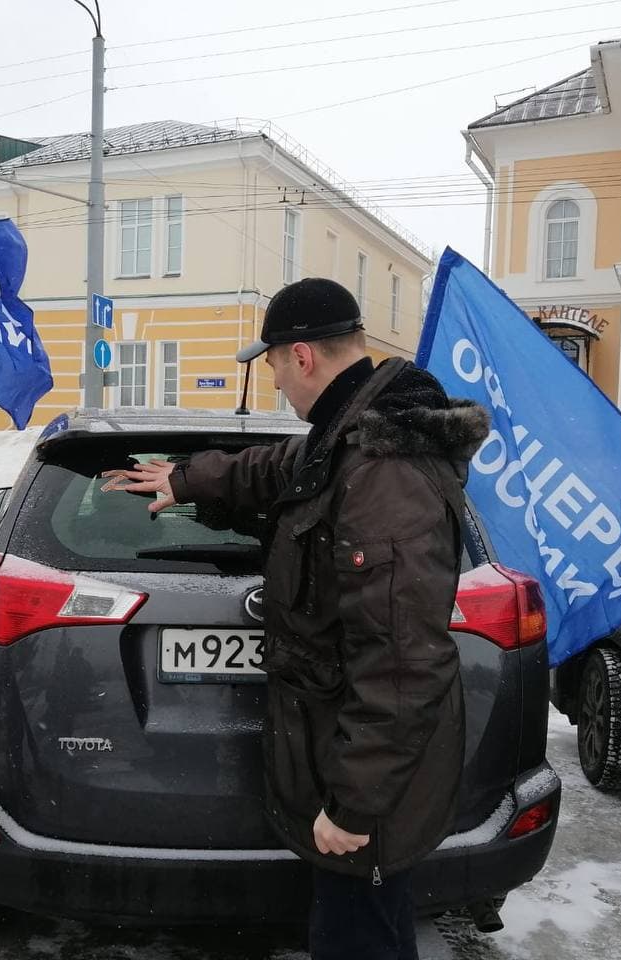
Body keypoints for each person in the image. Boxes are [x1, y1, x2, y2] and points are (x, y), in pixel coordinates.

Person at [101, 278, 490, 960]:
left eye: (276, 365)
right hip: (345, 759)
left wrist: (356, 803)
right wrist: (186, 479)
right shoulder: (348, 438)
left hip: (367, 786)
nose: (278, 382)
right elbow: (275, 467)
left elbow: (403, 662)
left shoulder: (385, 474)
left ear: (303, 357)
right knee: (373, 925)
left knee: (356, 938)